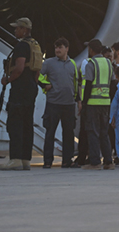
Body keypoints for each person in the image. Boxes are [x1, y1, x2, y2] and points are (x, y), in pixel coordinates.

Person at [0, 17, 41, 171]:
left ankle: (15, 159)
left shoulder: (22, 46)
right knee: (27, 125)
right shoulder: (35, 45)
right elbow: (37, 71)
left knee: (15, 124)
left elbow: (20, 67)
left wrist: (8, 80)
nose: (15, 30)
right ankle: (25, 160)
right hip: (31, 88)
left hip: (20, 89)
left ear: (24, 30)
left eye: (17, 28)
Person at [39, 37, 80, 169]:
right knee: (50, 132)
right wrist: (45, 84)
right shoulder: (49, 63)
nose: (57, 49)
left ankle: (67, 161)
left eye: (60, 47)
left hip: (69, 104)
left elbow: (75, 82)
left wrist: (77, 99)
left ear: (67, 49)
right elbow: (38, 75)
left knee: (68, 134)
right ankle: (47, 161)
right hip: (53, 104)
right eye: (56, 47)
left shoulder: (72, 63)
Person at [81, 39, 115, 170]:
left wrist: (84, 103)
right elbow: (113, 84)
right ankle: (108, 161)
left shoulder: (91, 64)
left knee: (92, 132)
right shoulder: (108, 63)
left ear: (91, 50)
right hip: (105, 102)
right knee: (104, 133)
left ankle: (95, 162)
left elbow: (88, 84)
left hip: (93, 103)